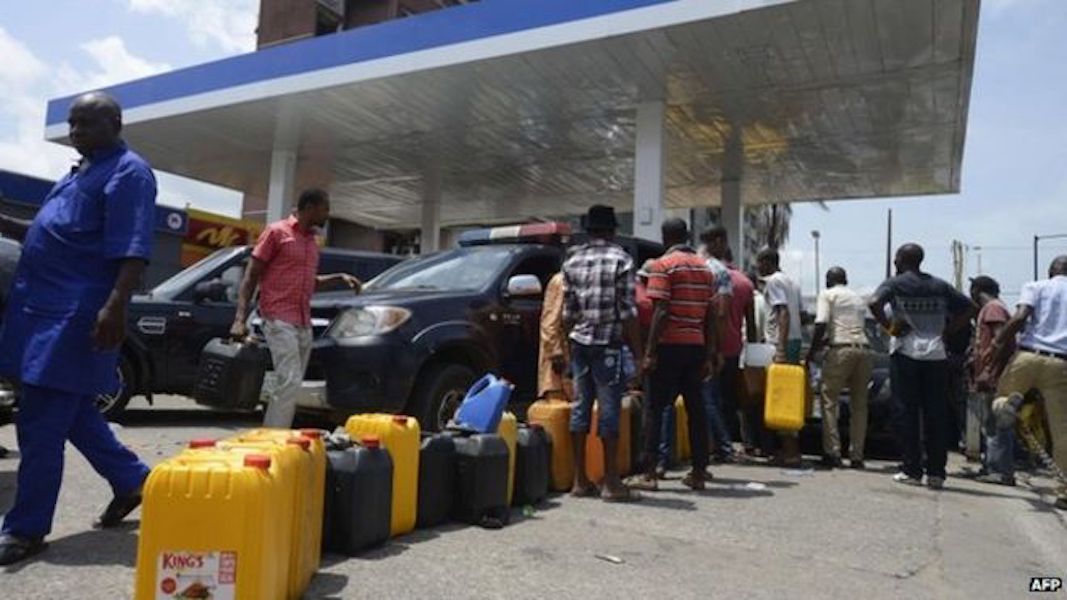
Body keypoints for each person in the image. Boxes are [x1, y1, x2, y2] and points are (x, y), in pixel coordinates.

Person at [0, 93, 156, 564]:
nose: (75, 131)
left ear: (115, 123)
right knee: (71, 413)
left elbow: (133, 247)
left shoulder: (129, 172)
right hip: (40, 311)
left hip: (76, 315)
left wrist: (115, 306)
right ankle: (133, 481)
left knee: (40, 420)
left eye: (86, 123)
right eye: (72, 123)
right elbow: (47, 233)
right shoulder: (78, 172)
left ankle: (26, 528)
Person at [230, 189, 361, 428]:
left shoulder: (312, 242)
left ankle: (276, 432)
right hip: (277, 317)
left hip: (303, 320)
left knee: (291, 383)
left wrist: (339, 278)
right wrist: (239, 319)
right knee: (289, 379)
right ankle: (275, 436)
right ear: (310, 208)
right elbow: (251, 276)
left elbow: (310, 282)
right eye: (325, 209)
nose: (327, 215)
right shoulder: (276, 232)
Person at [870, 244, 976, 490]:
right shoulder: (939, 285)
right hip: (936, 355)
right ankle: (936, 472)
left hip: (905, 353)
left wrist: (890, 327)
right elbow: (971, 307)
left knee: (906, 412)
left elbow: (874, 303)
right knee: (936, 413)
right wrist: (947, 331)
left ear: (900, 260)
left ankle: (912, 469)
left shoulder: (895, 284)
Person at [630, 218, 718, 491]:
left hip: (668, 346)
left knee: (654, 409)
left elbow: (661, 310)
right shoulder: (705, 269)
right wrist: (709, 354)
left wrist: (649, 352)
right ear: (687, 236)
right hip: (696, 346)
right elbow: (712, 314)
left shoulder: (663, 265)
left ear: (665, 237)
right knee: (696, 410)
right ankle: (699, 472)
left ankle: (649, 473)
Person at [561, 205, 643, 502]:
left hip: (579, 343)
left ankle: (579, 480)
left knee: (580, 408)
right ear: (612, 231)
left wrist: (568, 347)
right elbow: (628, 312)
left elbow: (567, 313)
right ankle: (610, 482)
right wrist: (640, 354)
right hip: (608, 344)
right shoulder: (621, 259)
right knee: (609, 410)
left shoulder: (572, 260)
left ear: (588, 230)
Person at [989, 256, 1067, 509]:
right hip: (1061, 363)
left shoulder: (1036, 287)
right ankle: (1064, 491)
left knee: (1001, 397)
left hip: (1028, 355)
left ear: (1051, 271)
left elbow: (1020, 317)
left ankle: (1007, 405)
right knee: (1062, 432)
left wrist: (997, 343)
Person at [805, 267, 873, 469]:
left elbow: (821, 323)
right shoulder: (858, 298)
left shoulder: (827, 294)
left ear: (828, 281)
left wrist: (812, 351)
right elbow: (849, 326)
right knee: (859, 405)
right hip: (864, 349)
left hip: (841, 351)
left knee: (829, 400)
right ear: (846, 280)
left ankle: (832, 452)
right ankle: (857, 455)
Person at [756, 248, 804, 467]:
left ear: (767, 262)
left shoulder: (774, 281)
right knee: (788, 396)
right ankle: (789, 450)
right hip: (794, 340)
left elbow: (783, 312)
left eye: (759, 262)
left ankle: (789, 452)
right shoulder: (792, 282)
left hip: (780, 342)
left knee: (781, 396)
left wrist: (781, 348)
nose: (758, 267)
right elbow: (801, 314)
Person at [967, 275, 1015, 486]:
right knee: (991, 422)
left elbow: (1000, 339)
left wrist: (988, 369)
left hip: (996, 375)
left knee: (996, 423)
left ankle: (999, 470)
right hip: (994, 373)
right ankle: (993, 466)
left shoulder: (993, 309)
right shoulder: (996, 308)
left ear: (976, 290)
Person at [700, 227, 742, 462]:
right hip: (708, 342)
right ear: (718, 241)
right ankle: (724, 446)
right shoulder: (720, 271)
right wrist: (716, 349)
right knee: (709, 397)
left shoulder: (693, 264)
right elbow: (721, 312)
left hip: (685, 339)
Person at [538, 272, 571, 402]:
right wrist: (556, 352)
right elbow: (550, 323)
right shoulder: (561, 282)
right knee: (558, 407)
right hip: (560, 364)